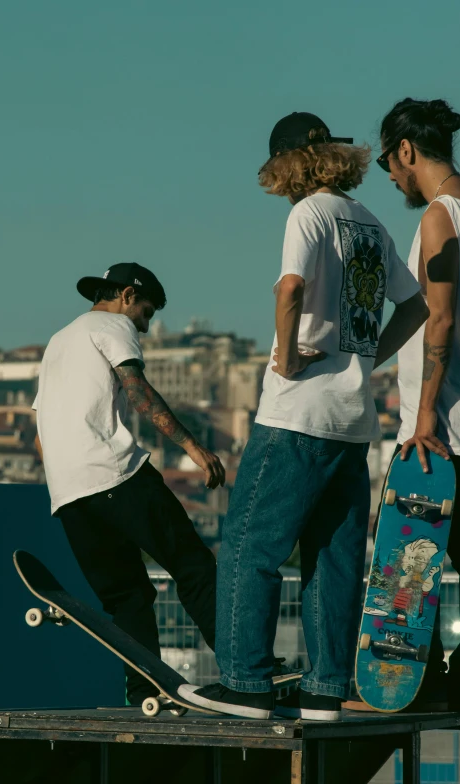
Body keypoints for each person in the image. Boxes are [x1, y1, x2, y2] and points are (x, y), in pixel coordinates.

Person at [179, 111, 429, 720]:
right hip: (352, 423)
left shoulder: (308, 213)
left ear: (288, 165)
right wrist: (365, 360)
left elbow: (290, 288)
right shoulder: (368, 222)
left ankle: (246, 684)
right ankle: (325, 690)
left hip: (295, 415)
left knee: (247, 547)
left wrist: (286, 357)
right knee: (334, 557)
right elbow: (416, 306)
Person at [33, 262, 225, 705]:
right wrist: (196, 450)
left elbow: (42, 438)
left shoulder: (58, 342)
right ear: (125, 296)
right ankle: (243, 669)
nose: (147, 324)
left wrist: (70, 478)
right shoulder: (112, 324)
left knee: (126, 597)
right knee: (193, 565)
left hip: (67, 495)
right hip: (115, 475)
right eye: (147, 312)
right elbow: (137, 392)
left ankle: (145, 693)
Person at [375, 98, 460, 709]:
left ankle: (422, 684)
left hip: (443, 431)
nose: (390, 176)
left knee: (413, 569)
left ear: (406, 150)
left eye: (388, 161)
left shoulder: (439, 217)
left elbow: (441, 315)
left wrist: (425, 412)